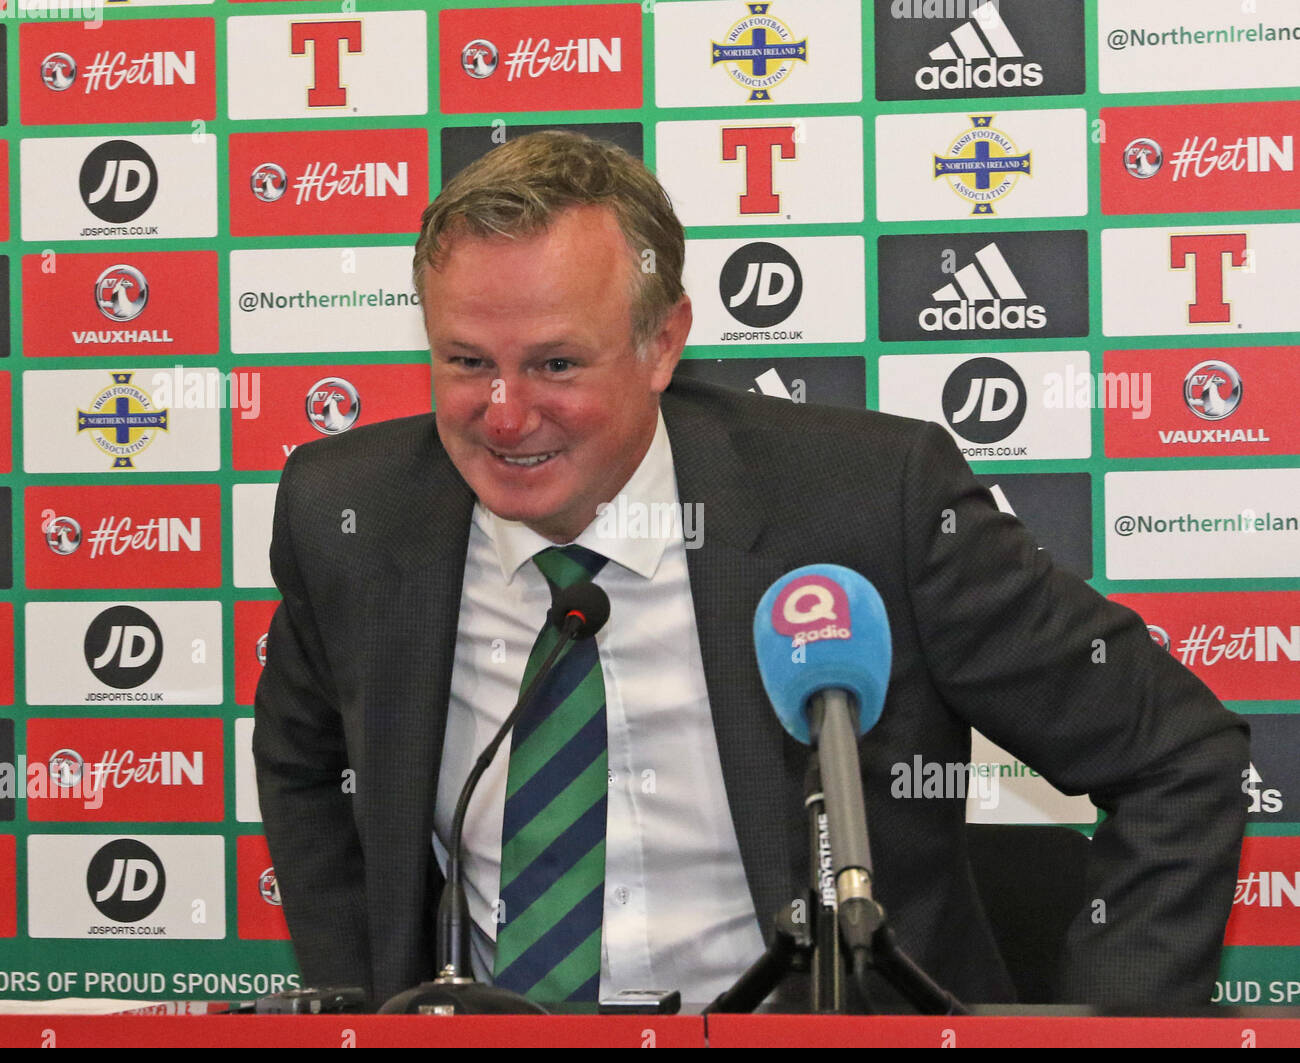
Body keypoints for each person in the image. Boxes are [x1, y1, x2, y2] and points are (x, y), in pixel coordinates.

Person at [253, 131, 1247, 1011]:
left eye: (556, 365)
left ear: (661, 342)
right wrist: (362, 1013)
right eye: (467, 363)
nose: (505, 415)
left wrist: (1113, 1041)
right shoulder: (349, 515)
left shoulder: (869, 505)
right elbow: (307, 765)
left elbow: (1173, 756)